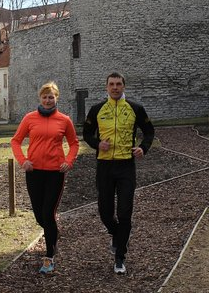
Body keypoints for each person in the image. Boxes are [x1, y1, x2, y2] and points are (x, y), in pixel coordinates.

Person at [82, 72, 155, 274]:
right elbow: (86, 133)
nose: (115, 87)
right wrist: (97, 144)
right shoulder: (97, 109)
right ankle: (117, 234)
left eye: (119, 84)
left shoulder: (135, 108)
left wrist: (143, 147)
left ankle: (120, 257)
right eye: (112, 84)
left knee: (124, 212)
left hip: (126, 166)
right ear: (106, 87)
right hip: (104, 166)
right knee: (105, 212)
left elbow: (149, 131)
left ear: (124, 86)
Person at [11, 81, 80, 274]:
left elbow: (74, 143)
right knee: (39, 215)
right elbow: (15, 141)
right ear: (40, 98)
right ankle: (53, 233)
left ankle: (49, 256)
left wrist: (69, 160)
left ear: (56, 98)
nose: (48, 100)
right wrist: (23, 160)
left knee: (48, 213)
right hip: (33, 172)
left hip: (54, 173)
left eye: (51, 97)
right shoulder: (29, 118)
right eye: (45, 97)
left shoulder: (64, 120)